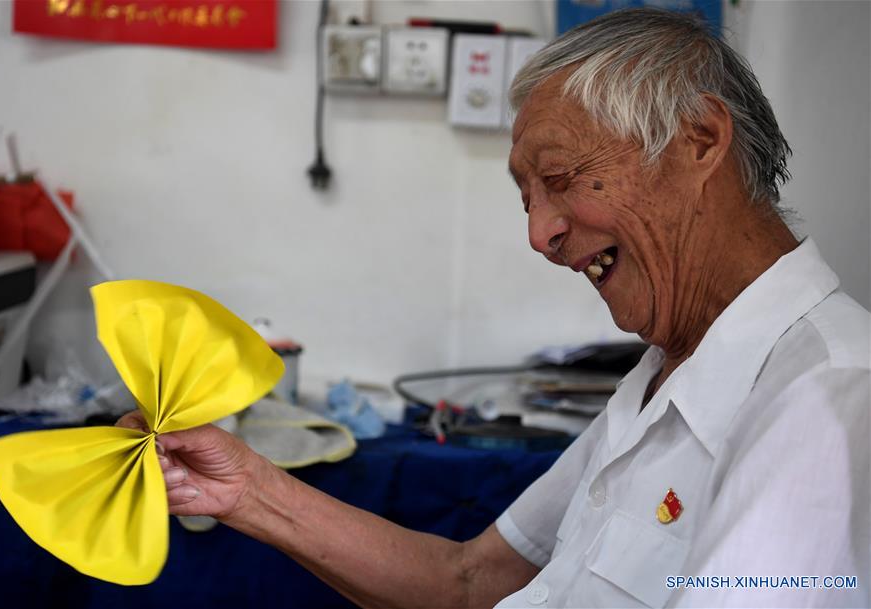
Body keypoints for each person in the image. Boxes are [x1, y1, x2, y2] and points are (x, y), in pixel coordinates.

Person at [119, 8, 869, 608]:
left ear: (698, 140)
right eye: (526, 197)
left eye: (559, 177)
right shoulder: (664, 377)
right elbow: (469, 582)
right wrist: (243, 488)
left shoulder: (826, 397)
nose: (540, 233)